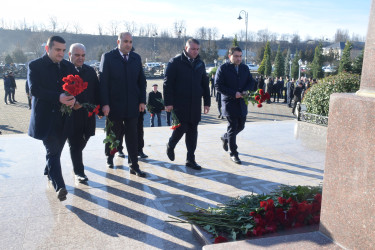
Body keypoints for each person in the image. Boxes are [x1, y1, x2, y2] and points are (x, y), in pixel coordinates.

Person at [28, 36, 76, 201]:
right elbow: (34, 90)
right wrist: (59, 97)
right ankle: (60, 186)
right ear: (47, 49)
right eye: (57, 50)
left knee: (56, 151)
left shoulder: (68, 66)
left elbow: (77, 88)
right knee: (53, 151)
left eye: (63, 50)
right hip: (45, 118)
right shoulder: (35, 66)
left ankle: (49, 171)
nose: (61, 53)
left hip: (64, 118)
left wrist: (74, 98)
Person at [100, 32, 147, 177]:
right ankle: (110, 157)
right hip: (114, 105)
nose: (128, 44)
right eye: (125, 41)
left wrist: (142, 101)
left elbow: (141, 81)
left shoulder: (136, 58)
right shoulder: (108, 57)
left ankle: (134, 165)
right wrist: (105, 104)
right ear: (118, 41)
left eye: (130, 42)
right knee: (114, 134)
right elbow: (103, 83)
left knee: (133, 135)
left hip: (132, 105)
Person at [164, 38, 210, 170]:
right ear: (186, 48)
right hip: (180, 103)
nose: (195, 52)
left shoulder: (200, 64)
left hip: (195, 103)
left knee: (192, 131)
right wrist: (168, 103)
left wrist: (206, 102)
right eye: (192, 49)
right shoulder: (175, 62)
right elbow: (168, 84)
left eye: (197, 49)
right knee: (181, 128)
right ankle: (171, 145)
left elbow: (205, 85)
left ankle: (190, 159)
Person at [215, 46, 254, 164]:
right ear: (229, 56)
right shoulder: (223, 68)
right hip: (229, 102)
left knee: (241, 126)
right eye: (236, 56)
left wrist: (246, 90)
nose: (239, 59)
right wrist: (233, 93)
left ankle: (225, 137)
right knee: (232, 127)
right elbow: (218, 85)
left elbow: (251, 82)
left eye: (240, 56)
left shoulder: (245, 68)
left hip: (242, 102)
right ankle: (234, 153)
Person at [67, 43, 100, 183]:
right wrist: (71, 103)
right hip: (70, 115)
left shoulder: (90, 71)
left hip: (88, 114)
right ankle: (79, 171)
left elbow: (97, 90)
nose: (80, 58)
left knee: (85, 137)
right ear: (69, 55)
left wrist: (100, 108)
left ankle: (53, 161)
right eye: (77, 55)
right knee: (74, 143)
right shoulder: (64, 69)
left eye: (83, 55)